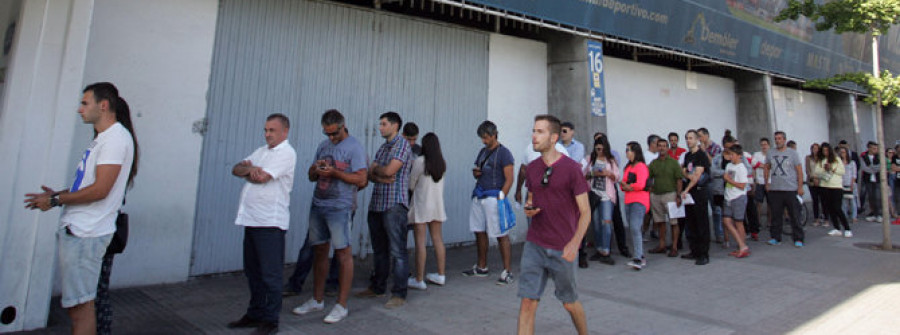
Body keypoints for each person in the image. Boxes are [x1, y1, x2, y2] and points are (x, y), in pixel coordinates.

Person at [24, 83, 137, 335]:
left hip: (88, 233)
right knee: (79, 307)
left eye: (85, 103)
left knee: (81, 309)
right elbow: (88, 185)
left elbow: (100, 190)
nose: (79, 109)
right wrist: (57, 195)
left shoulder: (115, 139)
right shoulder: (103, 139)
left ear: (103, 105)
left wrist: (55, 201)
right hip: (80, 231)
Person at [291, 110, 366, 323]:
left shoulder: (354, 147)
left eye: (334, 133)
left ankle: (341, 305)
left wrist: (335, 173)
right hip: (319, 205)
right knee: (319, 251)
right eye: (327, 133)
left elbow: (361, 179)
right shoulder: (323, 146)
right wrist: (317, 170)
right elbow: (310, 175)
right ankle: (317, 299)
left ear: (343, 127)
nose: (331, 138)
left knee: (343, 254)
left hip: (340, 208)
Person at [518, 114, 590, 335]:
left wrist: (574, 243)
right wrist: (529, 208)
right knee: (528, 303)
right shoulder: (532, 168)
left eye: (540, 132)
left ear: (554, 137)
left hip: (563, 246)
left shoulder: (571, 169)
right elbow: (532, 199)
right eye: (533, 130)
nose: (534, 136)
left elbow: (585, 212)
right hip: (535, 244)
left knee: (569, 302)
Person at [226, 113, 296, 334]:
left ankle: (270, 319)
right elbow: (236, 168)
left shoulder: (286, 153)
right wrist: (249, 169)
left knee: (270, 274)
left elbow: (262, 177)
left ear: (284, 131)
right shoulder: (261, 151)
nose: (267, 134)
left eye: (272, 130)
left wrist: (251, 171)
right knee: (253, 271)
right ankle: (254, 313)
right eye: (266, 130)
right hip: (251, 219)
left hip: (270, 223)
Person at [356, 112, 413, 309]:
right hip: (377, 204)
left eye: (383, 124)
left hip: (394, 205)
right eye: (380, 124)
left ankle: (399, 292)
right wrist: (380, 174)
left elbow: (390, 171)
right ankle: (377, 286)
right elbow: (370, 173)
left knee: (397, 251)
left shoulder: (402, 145)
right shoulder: (383, 147)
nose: (380, 128)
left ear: (395, 125)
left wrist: (380, 171)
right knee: (379, 250)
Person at [464, 121, 515, 285]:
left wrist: (502, 197)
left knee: (501, 234)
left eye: (486, 137)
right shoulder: (482, 151)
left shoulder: (504, 153)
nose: (484, 141)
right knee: (478, 231)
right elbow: (478, 170)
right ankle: (481, 266)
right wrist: (476, 173)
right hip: (479, 194)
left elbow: (509, 178)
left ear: (494, 135)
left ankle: (507, 270)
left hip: (494, 196)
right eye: (482, 138)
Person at [407, 133, 448, 289]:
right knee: (438, 239)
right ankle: (441, 274)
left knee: (420, 242)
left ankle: (419, 279)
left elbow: (411, 184)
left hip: (422, 205)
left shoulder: (420, 162)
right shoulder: (442, 163)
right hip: (437, 205)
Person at [764, 131, 805, 247]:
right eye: (776, 139)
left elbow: (799, 170)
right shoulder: (770, 153)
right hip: (775, 189)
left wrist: (800, 186)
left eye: (780, 138)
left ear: (784, 140)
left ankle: (798, 238)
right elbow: (766, 167)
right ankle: (776, 237)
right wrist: (767, 183)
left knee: (794, 215)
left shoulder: (792, 153)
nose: (778, 141)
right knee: (776, 215)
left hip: (790, 188)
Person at [583, 136, 619, 265]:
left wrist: (607, 173)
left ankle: (606, 250)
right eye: (597, 149)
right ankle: (599, 249)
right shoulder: (590, 159)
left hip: (606, 196)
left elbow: (617, 177)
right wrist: (593, 173)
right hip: (594, 194)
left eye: (601, 149)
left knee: (606, 222)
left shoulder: (611, 161)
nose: (599, 151)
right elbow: (583, 175)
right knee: (596, 224)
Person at [647, 138, 683, 257]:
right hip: (656, 195)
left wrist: (678, 195)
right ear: (657, 148)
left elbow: (679, 179)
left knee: (673, 222)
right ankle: (662, 245)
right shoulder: (653, 163)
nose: (662, 148)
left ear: (667, 148)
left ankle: (674, 247)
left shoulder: (673, 163)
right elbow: (648, 177)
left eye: (664, 146)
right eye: (659, 146)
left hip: (670, 194)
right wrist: (650, 189)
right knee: (660, 221)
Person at [680, 129, 711, 265]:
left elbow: (696, 177)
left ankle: (704, 254)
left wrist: (686, 187)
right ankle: (694, 250)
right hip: (689, 194)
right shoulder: (687, 156)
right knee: (691, 223)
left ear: (697, 139)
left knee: (701, 223)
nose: (688, 140)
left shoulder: (701, 155)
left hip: (699, 192)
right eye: (687, 138)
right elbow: (684, 172)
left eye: (691, 138)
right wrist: (687, 175)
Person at [621, 142, 650, 270]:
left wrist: (629, 186)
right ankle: (640, 255)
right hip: (629, 200)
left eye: (628, 150)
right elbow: (623, 183)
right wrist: (625, 186)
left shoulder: (641, 166)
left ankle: (638, 258)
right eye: (626, 149)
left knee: (634, 227)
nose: (626, 152)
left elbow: (641, 184)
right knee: (634, 229)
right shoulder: (628, 167)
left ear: (635, 151)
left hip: (639, 200)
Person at [814, 143, 851, 238]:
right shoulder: (821, 160)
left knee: (837, 208)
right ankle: (836, 228)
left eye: (826, 150)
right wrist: (824, 169)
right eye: (823, 150)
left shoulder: (836, 159)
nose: (825, 152)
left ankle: (847, 228)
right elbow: (816, 172)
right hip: (825, 186)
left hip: (836, 186)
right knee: (830, 208)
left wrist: (831, 168)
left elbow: (842, 171)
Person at [722, 145, 751, 258]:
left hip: (738, 197)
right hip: (728, 196)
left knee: (739, 222)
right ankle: (742, 245)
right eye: (729, 154)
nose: (730, 157)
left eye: (732, 155)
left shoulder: (741, 167)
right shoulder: (729, 165)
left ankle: (742, 246)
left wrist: (729, 180)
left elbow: (742, 185)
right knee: (727, 221)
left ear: (739, 156)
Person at [709, 131, 737, 245]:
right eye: (727, 148)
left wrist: (731, 174)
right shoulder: (717, 157)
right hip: (720, 188)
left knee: (734, 214)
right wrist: (725, 173)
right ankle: (723, 237)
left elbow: (746, 169)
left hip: (733, 188)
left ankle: (736, 237)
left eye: (732, 147)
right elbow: (712, 171)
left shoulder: (737, 156)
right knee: (720, 213)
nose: (730, 150)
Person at [751, 137, 771, 240]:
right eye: (762, 144)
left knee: (770, 204)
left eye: (765, 144)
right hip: (759, 182)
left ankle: (769, 222)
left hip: (770, 182)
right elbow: (754, 166)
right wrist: (754, 180)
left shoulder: (771, 154)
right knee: (758, 203)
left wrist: (763, 166)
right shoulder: (756, 155)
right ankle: (758, 222)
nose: (764, 146)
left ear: (769, 145)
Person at [860, 141, 882, 222]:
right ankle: (873, 213)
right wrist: (872, 169)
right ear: (869, 148)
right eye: (873, 148)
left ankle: (879, 214)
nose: (875, 150)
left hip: (877, 179)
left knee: (877, 197)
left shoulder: (879, 156)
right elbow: (864, 168)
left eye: (876, 148)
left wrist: (871, 168)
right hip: (868, 179)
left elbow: (879, 167)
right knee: (871, 197)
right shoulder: (864, 157)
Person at [806, 143, 825, 226]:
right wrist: (813, 178)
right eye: (813, 148)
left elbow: (824, 170)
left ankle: (824, 216)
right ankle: (816, 218)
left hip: (821, 181)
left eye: (817, 148)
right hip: (812, 181)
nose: (815, 150)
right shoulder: (808, 158)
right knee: (815, 200)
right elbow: (807, 169)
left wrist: (819, 178)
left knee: (823, 199)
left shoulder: (822, 158)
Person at [838, 147, 859, 223]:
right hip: (842, 183)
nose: (842, 154)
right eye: (841, 152)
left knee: (853, 201)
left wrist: (852, 184)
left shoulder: (852, 163)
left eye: (843, 152)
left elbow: (854, 174)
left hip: (850, 183)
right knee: (844, 202)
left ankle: (854, 216)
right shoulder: (839, 163)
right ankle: (844, 216)